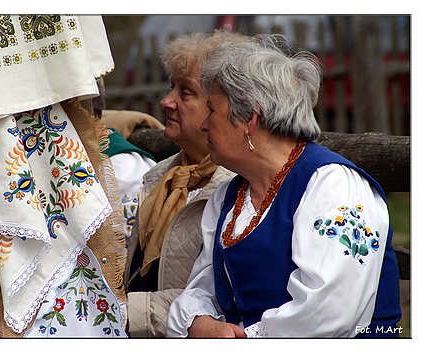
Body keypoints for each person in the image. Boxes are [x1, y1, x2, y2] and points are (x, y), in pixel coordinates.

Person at [166, 34, 402, 338]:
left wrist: (244, 338)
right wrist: (197, 321)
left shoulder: (333, 186)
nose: (204, 124)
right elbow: (201, 289)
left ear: (250, 118)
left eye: (212, 110)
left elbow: (330, 313)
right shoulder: (229, 197)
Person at [123, 30, 246, 337]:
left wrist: (123, 312)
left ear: (222, 104)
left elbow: (219, 298)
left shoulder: (239, 187)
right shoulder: (162, 175)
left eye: (185, 92)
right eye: (170, 88)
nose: (167, 101)